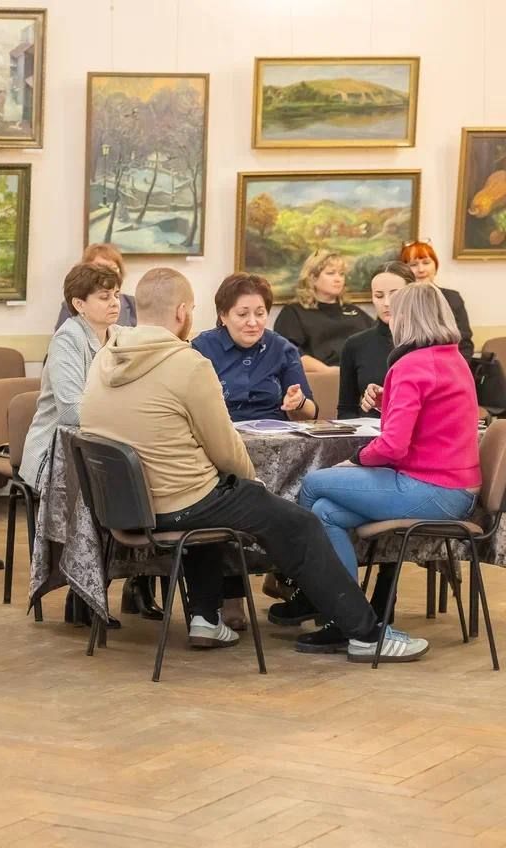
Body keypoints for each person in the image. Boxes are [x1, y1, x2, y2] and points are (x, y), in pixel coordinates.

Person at [79, 267, 428, 662]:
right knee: (298, 524)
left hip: (122, 507)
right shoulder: (187, 364)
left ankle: (206, 618)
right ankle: (367, 635)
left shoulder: (105, 357)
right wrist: (254, 488)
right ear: (181, 312)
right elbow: (227, 453)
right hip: (177, 502)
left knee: (214, 497)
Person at [293, 285, 480, 651]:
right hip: (455, 489)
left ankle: (311, 594)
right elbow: (432, 422)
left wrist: (355, 460)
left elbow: (393, 446)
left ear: (406, 318)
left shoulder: (410, 365)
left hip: (433, 488)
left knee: (314, 483)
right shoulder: (452, 358)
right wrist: (390, 403)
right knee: (325, 512)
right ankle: (345, 618)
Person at [25, 262, 161, 622]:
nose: (115, 302)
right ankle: (82, 594)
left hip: (107, 441)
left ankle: (139, 583)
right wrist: (126, 411)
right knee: (104, 492)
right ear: (79, 304)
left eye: (116, 294)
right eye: (104, 297)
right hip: (56, 452)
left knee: (151, 482)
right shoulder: (67, 339)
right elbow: (71, 411)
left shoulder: (121, 335)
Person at [192, 273, 318, 422]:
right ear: (223, 316)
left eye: (260, 314)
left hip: (275, 432)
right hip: (222, 432)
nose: (252, 323)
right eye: (242, 314)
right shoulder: (201, 349)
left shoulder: (282, 349)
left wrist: (299, 402)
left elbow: (312, 414)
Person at [273, 250, 372, 371]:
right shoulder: (294, 312)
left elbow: (379, 340)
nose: (338, 279)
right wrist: (325, 371)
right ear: (313, 278)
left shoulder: (354, 311)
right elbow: (287, 351)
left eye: (341, 274)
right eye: (331, 273)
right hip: (322, 376)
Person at [338, 262, 414, 419]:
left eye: (394, 294)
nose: (386, 303)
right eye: (379, 296)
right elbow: (346, 410)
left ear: (411, 296)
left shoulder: (428, 343)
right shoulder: (355, 345)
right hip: (368, 431)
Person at [400, 240, 474, 360]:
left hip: (450, 366)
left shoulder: (452, 298)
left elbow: (465, 344)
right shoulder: (398, 302)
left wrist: (454, 368)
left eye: (426, 262)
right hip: (410, 366)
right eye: (413, 265)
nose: (421, 269)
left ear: (435, 266)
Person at [53, 243, 137, 330]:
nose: (107, 274)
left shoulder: (134, 304)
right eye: (100, 268)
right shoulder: (71, 306)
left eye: (112, 268)